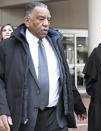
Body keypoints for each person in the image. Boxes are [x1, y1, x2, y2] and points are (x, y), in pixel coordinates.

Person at [0, 2, 86, 131]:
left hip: (56, 118)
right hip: (25, 120)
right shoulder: (8, 47)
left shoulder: (55, 44)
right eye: (41, 19)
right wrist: (2, 109)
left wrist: (78, 105)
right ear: (27, 21)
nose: (46, 23)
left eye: (48, 20)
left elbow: (65, 78)